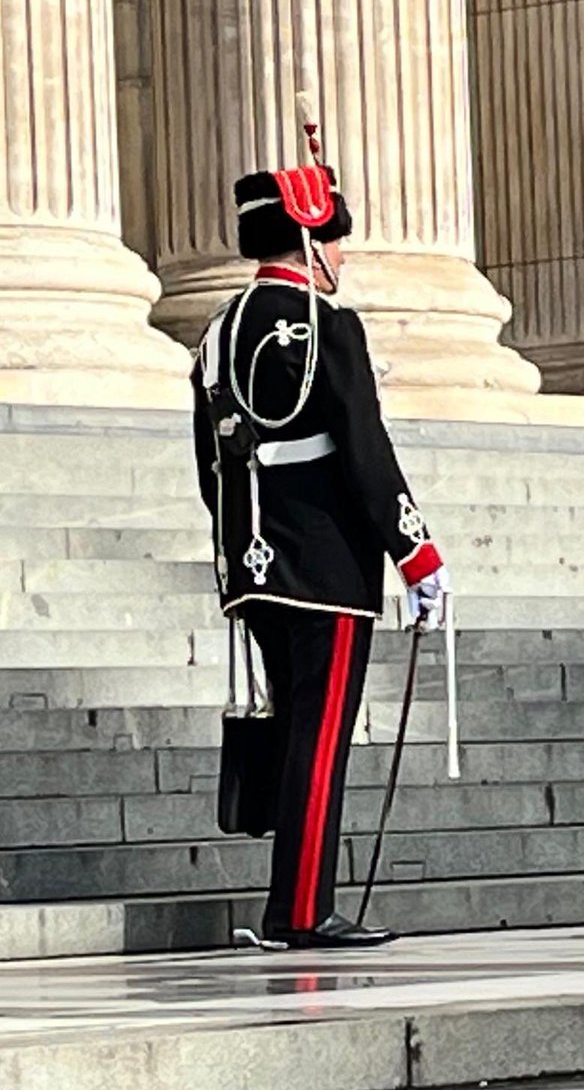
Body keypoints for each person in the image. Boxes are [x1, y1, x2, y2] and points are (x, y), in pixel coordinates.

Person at [191, 138, 448, 950]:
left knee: (300, 727)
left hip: (255, 560)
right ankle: (300, 910)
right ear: (307, 240)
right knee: (321, 736)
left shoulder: (218, 333)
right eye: (333, 236)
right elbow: (365, 450)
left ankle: (293, 904)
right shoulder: (326, 326)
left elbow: (212, 460)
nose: (340, 252)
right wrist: (417, 554)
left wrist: (241, 548)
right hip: (327, 566)